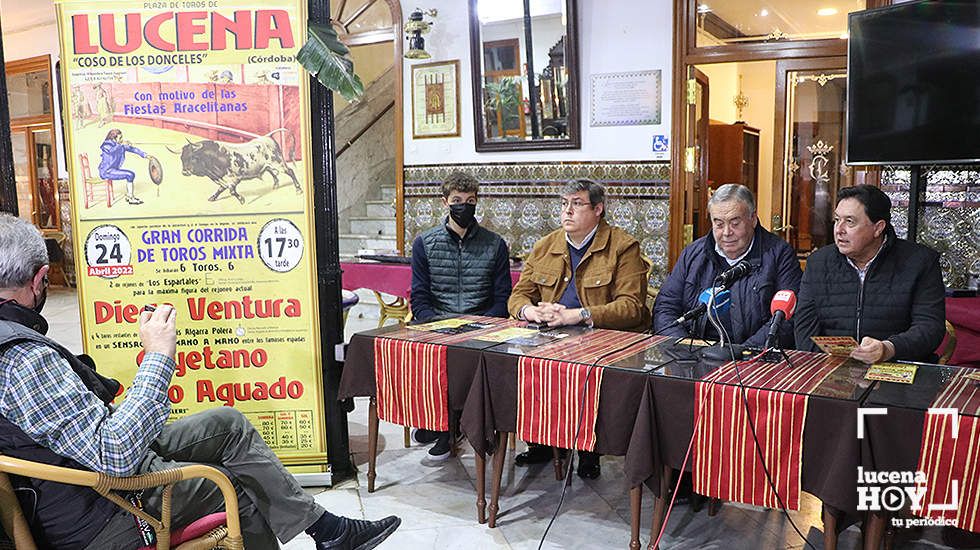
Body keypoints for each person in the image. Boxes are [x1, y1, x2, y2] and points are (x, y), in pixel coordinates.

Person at [0, 213, 400, 550]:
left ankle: (327, 531)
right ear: (40, 279)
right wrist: (157, 356)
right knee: (234, 487)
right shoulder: (23, 358)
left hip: (83, 473)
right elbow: (114, 455)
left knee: (227, 425)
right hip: (101, 510)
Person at [507, 179, 650, 479]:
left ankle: (589, 449)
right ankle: (542, 441)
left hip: (599, 338)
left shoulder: (623, 246)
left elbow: (632, 307)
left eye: (577, 203)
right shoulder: (545, 245)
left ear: (598, 209)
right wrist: (530, 310)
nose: (567, 211)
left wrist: (580, 315)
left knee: (584, 370)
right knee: (519, 366)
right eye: (563, 203)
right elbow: (518, 295)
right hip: (549, 334)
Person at [409, 171, 512, 465]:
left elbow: (501, 298)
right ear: (445, 202)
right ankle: (439, 421)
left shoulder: (495, 244)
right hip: (438, 324)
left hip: (482, 324)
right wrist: (440, 325)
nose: (463, 206)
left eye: (470, 201)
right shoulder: (424, 243)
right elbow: (420, 297)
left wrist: (476, 325)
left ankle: (452, 426)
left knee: (468, 356)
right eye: (457, 201)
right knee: (429, 355)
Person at [794, 184, 946, 363]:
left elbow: (930, 328)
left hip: (896, 366)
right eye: (837, 220)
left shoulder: (920, 262)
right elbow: (804, 330)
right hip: (832, 370)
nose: (839, 230)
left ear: (878, 228)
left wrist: (888, 349)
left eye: (849, 221)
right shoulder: (818, 263)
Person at [653, 183, 802, 348]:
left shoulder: (779, 255)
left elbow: (786, 320)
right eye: (719, 223)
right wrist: (686, 346)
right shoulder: (693, 254)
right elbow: (665, 308)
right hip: (693, 354)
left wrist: (742, 354)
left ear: (753, 219)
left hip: (751, 358)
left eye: (735, 223)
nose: (726, 233)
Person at [99, 128, 146, 205]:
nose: (121, 139)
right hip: (106, 171)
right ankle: (130, 197)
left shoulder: (119, 145)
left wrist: (145, 155)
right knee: (130, 175)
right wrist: (121, 144)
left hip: (112, 170)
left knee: (130, 175)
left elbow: (133, 149)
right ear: (113, 138)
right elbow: (111, 151)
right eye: (120, 138)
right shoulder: (106, 145)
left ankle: (129, 196)